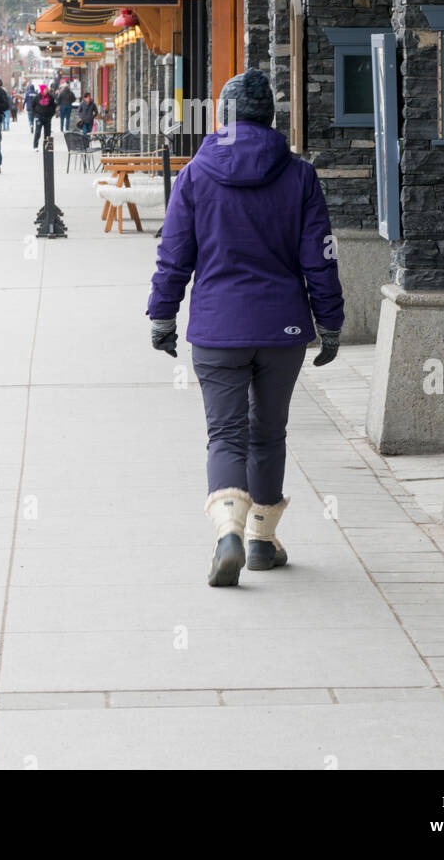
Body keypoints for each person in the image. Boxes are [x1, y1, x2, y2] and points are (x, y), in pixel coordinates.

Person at [147, 68, 344, 588]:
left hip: (216, 327)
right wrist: (331, 321)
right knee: (269, 433)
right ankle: (261, 540)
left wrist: (162, 314)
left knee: (226, 434)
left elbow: (173, 255)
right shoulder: (300, 176)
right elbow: (321, 259)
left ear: (222, 117)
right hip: (282, 329)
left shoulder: (195, 174)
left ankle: (228, 532)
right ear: (270, 117)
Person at [32, 83, 56, 148]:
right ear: (42, 90)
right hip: (39, 117)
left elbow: (54, 106)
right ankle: (35, 146)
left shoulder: (50, 97)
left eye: (46, 89)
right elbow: (33, 106)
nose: (46, 90)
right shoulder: (37, 97)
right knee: (37, 132)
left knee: (48, 133)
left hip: (48, 117)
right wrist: (36, 115)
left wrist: (51, 115)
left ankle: (47, 147)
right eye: (45, 89)